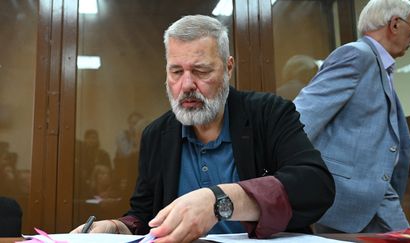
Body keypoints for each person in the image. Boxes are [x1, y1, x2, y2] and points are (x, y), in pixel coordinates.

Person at [71, 15, 335, 241]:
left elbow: (316, 186)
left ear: (228, 68)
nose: (186, 85)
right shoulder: (156, 135)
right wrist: (116, 228)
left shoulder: (269, 113)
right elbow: (143, 216)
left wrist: (221, 201)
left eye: (200, 71)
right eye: (176, 72)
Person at [293, 0, 410, 234]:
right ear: (394, 24)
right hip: (349, 194)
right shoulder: (356, 55)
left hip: (370, 193)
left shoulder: (379, 64)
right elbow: (303, 117)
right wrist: (296, 179)